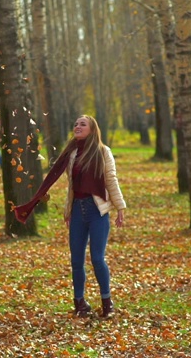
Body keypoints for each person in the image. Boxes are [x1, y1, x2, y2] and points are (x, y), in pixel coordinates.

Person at [14, 115, 126, 318]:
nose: (77, 126)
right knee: (76, 260)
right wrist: (68, 210)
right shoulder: (71, 153)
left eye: (82, 124)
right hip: (77, 211)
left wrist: (119, 207)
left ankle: (107, 303)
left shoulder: (102, 151)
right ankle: (79, 304)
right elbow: (68, 184)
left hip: (97, 211)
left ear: (92, 129)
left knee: (97, 258)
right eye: (75, 124)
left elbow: (111, 178)